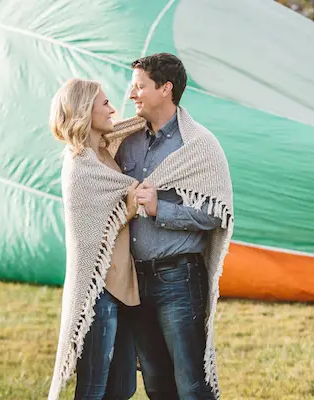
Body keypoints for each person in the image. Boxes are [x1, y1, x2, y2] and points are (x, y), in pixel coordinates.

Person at [115, 53, 223, 399]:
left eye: (140, 87)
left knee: (192, 385)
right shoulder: (125, 142)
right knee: (157, 386)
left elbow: (214, 213)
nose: (132, 95)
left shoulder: (198, 145)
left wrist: (161, 208)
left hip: (179, 279)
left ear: (165, 89)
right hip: (135, 282)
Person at [48, 78, 139, 400]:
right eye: (104, 104)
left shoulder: (106, 153)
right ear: (85, 110)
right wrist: (130, 206)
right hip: (97, 291)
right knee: (93, 388)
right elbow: (94, 231)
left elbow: (135, 125)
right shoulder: (79, 164)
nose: (112, 108)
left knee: (123, 387)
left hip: (123, 286)